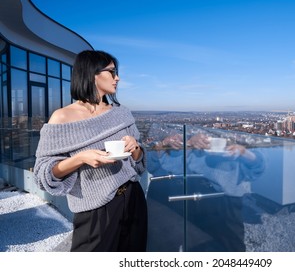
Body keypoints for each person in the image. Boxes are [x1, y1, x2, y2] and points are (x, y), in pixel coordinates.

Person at [33, 50, 147, 252]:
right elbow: (42, 175)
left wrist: (135, 148)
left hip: (133, 198)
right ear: (92, 74)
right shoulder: (62, 118)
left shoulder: (122, 114)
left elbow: (139, 162)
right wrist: (79, 159)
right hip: (94, 209)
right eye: (112, 72)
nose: (117, 78)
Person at [146, 126, 264, 251]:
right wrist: (185, 143)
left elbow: (258, 166)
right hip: (199, 199)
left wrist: (244, 153)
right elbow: (153, 165)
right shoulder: (184, 147)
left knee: (228, 247)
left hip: (225, 202)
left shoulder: (234, 147)